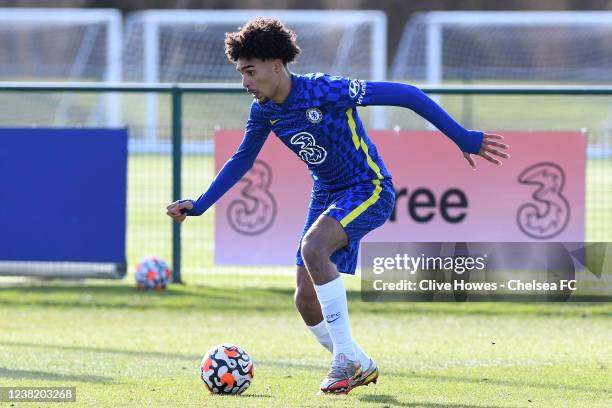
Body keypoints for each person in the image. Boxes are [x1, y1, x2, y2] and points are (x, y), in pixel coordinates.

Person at [166, 17, 509, 395]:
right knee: (306, 302)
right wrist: (200, 204)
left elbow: (408, 95)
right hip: (326, 192)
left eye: (250, 71)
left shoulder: (325, 90)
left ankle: (346, 360)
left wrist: (463, 137)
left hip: (369, 188)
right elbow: (242, 160)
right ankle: (356, 361)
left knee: (314, 247)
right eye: (241, 73)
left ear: (276, 66)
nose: (245, 82)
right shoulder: (264, 111)